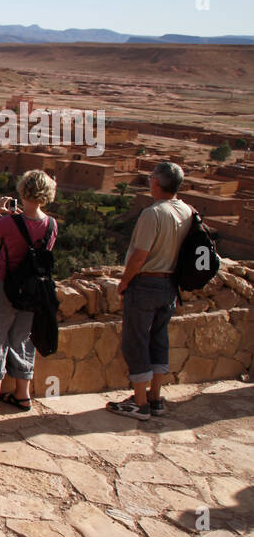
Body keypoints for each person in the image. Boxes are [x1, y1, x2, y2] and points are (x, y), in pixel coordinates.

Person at [107, 162, 191, 420]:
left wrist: (124, 281)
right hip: (170, 285)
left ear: (156, 183)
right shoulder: (187, 211)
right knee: (158, 339)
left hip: (145, 284)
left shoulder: (153, 213)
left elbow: (139, 256)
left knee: (136, 342)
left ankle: (139, 402)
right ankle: (155, 397)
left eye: (152, 177)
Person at [0, 170, 59, 417]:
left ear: (23, 190)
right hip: (34, 291)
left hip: (4, 286)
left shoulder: (10, 223)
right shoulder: (52, 225)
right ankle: (22, 395)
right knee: (22, 339)